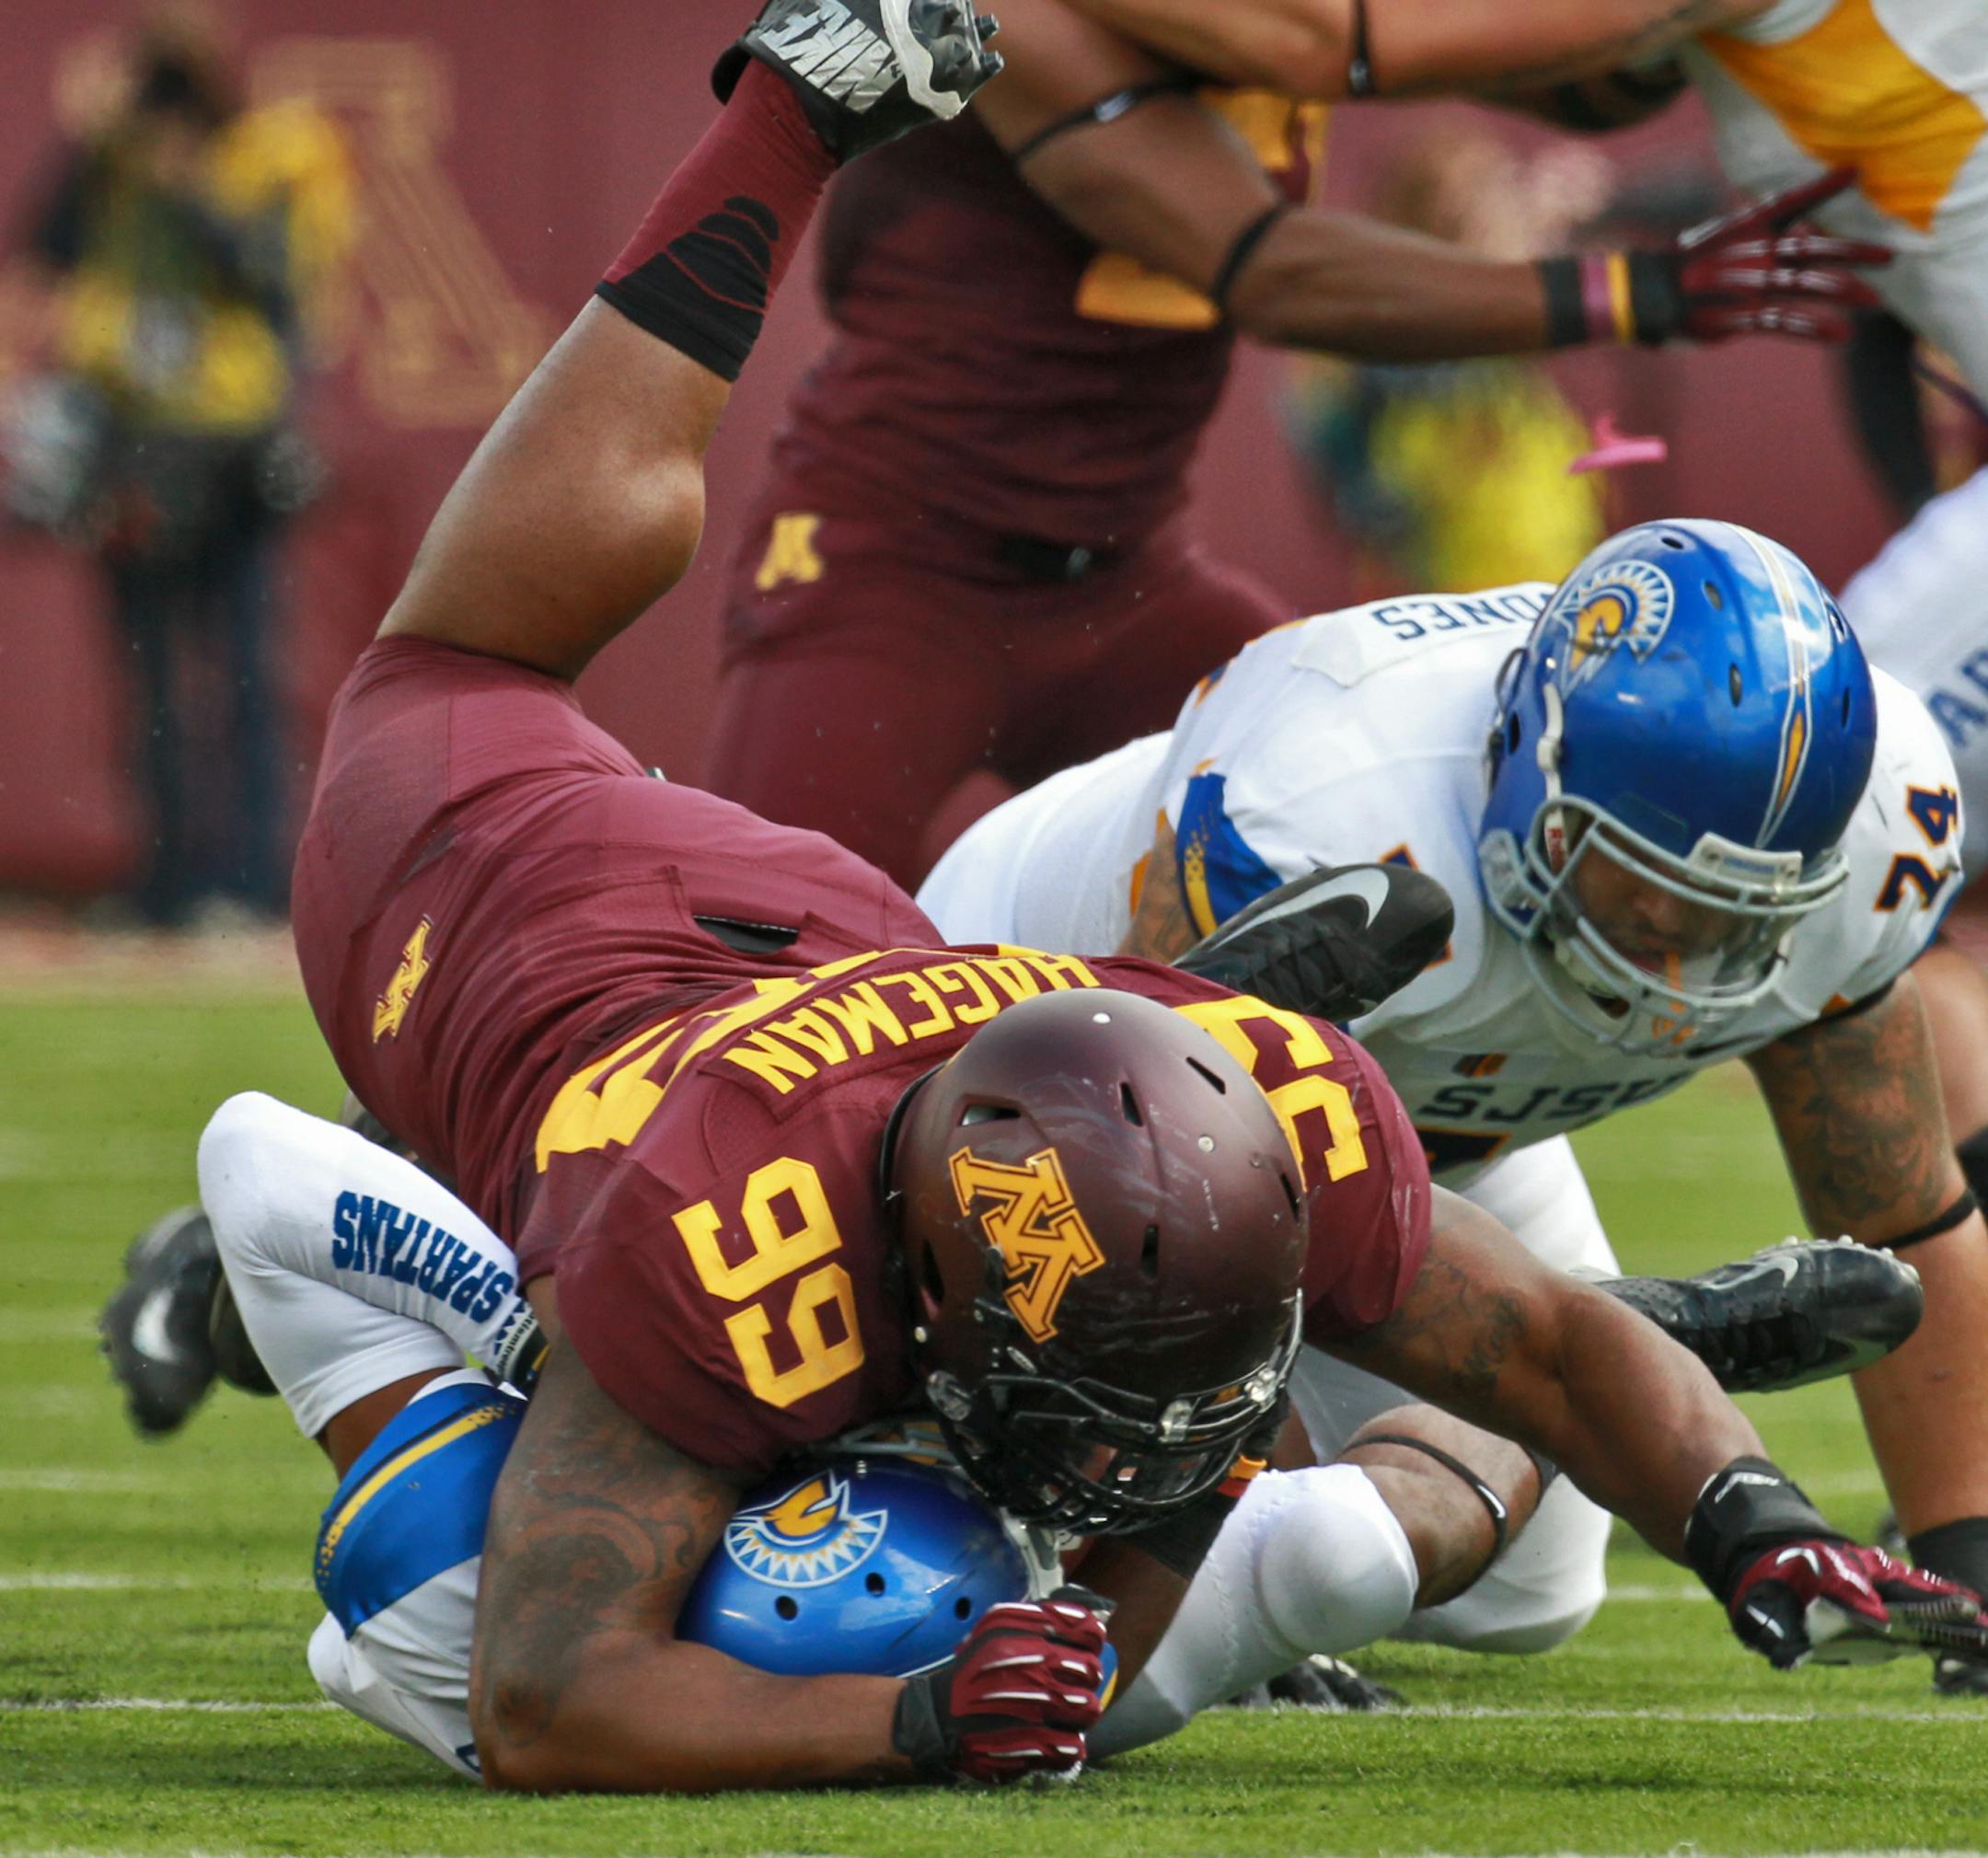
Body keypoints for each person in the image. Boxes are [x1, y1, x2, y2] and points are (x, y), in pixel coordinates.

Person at [101, 4, 1976, 1793]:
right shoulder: (722, 1252)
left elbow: (1543, 1340)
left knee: (1161, 1393)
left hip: (854, 934)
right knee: (459, 665)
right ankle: (786, 108)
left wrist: (1749, 1515)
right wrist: (912, 1726)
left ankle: (1247, 1290)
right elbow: (542, 1691)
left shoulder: (1259, 1094)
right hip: (564, 855)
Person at [919, 517, 1988, 1691]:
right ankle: (1644, 1323)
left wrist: (1971, 1565)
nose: (1680, 966)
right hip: (1069, 1025)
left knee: (1526, 1597)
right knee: (998, 1548)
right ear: (1529, 764)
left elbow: (1903, 1208)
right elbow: (1169, 1187)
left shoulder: (1887, 828)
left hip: (1424, 1112)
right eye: (1643, 886)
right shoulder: (1328, 802)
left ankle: (1601, 1326)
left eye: (1735, 916)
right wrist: (1228, 1541)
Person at [157, 1085, 1945, 1773]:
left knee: (1062, 1264)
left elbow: (253, 1150)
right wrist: (935, 1707)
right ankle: (1619, 1340)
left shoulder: (467, 1551)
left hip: (638, 1483)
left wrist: (556, 1332)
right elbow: (552, 1702)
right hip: (1044, 1640)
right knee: (1353, 1533)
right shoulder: (1067, 1655)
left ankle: (1537, 1338)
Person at [701, 0, 1887, 890]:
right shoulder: (1018, 17)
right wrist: (1637, 293)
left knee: (1395, 893)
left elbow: (1599, 79)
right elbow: (1269, 260)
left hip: (1127, 581)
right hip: (894, 568)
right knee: (760, 968)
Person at [9, 9, 353, 924]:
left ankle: (250, 884)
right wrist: (95, 133)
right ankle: (162, 888)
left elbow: (276, 281)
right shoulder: (111, 166)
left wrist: (192, 187)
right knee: (147, 670)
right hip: (134, 438)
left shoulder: (277, 154)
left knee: (243, 668)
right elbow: (45, 241)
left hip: (232, 440)